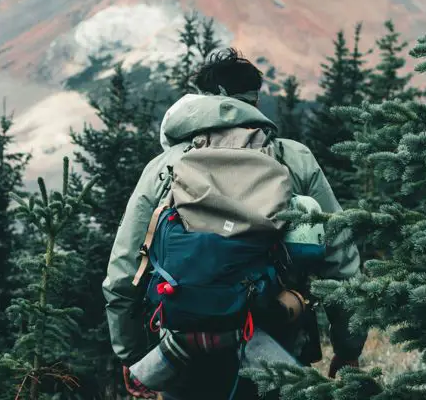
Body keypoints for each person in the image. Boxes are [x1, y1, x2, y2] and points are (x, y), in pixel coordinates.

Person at [102, 48, 367, 399]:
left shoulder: (165, 167)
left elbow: (123, 273)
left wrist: (135, 356)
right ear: (253, 99)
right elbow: (341, 262)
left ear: (201, 98)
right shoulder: (293, 158)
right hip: (276, 340)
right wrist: (348, 349)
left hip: (184, 348)